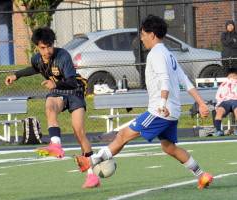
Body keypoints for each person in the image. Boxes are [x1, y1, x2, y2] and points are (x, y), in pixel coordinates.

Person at [75, 15, 213, 190]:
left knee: (123, 135)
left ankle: (91, 160)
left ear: (152, 34)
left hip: (160, 111)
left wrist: (162, 104)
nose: (141, 38)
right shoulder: (168, 54)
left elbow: (164, 80)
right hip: (172, 111)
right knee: (169, 147)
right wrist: (201, 103)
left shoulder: (156, 54)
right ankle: (202, 175)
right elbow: (185, 80)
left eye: (143, 34)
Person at [5, 27, 100, 188]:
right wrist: (16, 75)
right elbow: (34, 69)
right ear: (37, 47)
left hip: (74, 91)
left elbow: (71, 81)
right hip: (57, 91)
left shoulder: (63, 56)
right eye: (43, 47)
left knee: (79, 132)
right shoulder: (37, 59)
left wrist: (54, 83)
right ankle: (56, 144)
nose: (47, 50)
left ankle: (92, 176)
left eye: (49, 46)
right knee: (49, 105)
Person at [213, 67, 237, 136]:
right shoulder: (224, 84)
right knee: (219, 111)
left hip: (236, 101)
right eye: (230, 75)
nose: (232, 77)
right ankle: (218, 131)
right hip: (225, 102)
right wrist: (218, 104)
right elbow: (219, 95)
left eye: (233, 75)